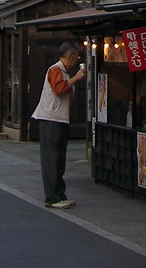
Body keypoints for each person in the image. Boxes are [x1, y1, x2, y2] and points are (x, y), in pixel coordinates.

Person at [30, 41, 87, 209]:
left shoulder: (64, 71)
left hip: (59, 119)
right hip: (50, 119)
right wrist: (76, 78)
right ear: (70, 56)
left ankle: (59, 193)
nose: (76, 60)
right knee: (51, 158)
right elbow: (58, 89)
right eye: (76, 57)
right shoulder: (55, 70)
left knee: (59, 158)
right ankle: (52, 197)